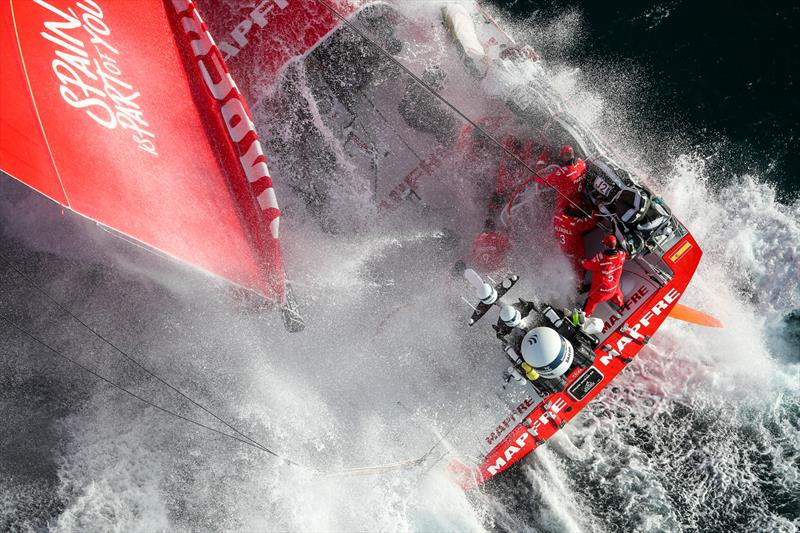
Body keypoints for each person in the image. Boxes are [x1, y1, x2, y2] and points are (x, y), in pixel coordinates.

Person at [581, 234, 627, 316]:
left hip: (600, 294)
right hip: (613, 290)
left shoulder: (600, 259)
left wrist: (581, 261)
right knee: (615, 288)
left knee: (591, 301)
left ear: (605, 245)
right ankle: (621, 304)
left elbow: (587, 265)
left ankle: (584, 317)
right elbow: (622, 253)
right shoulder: (622, 255)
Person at [553, 206, 597, 279]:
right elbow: (591, 223)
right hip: (575, 253)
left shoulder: (556, 217)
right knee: (579, 270)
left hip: (563, 250)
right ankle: (580, 285)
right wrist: (594, 212)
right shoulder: (575, 223)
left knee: (569, 268)